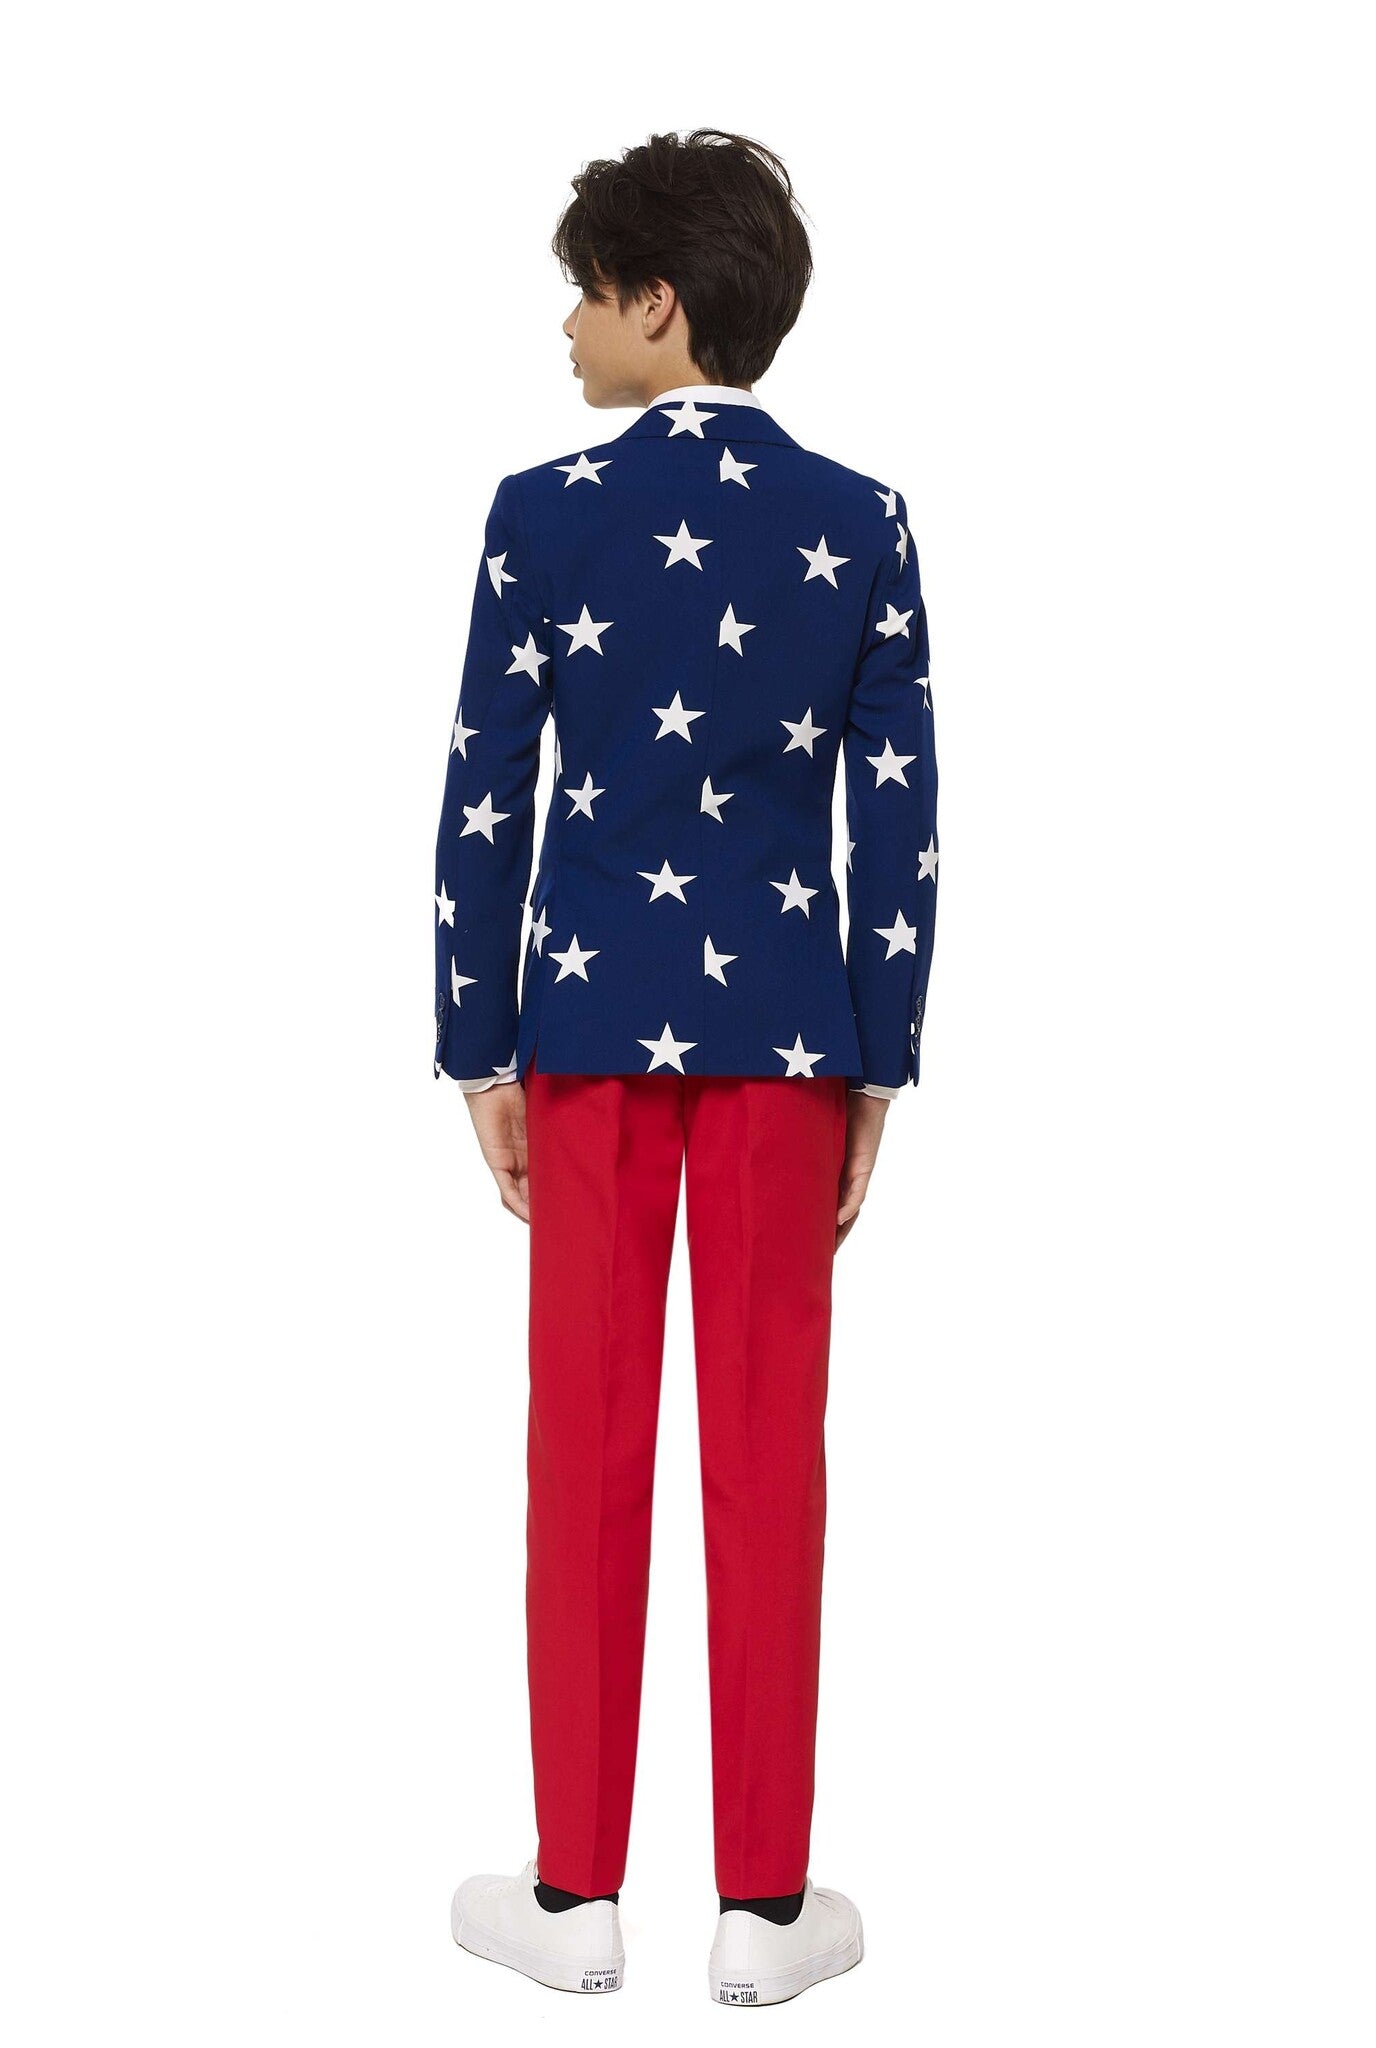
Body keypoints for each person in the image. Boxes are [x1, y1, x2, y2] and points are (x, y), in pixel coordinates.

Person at [434, 128, 937, 2007]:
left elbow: (486, 800)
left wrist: (476, 1044)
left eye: (585, 291)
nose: (567, 328)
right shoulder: (862, 520)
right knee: (767, 1451)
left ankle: (574, 1896)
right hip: (789, 1044)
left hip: (581, 1040)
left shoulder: (538, 514)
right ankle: (765, 1907)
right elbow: (901, 819)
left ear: (659, 302)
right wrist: (877, 1065)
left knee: (583, 1442)